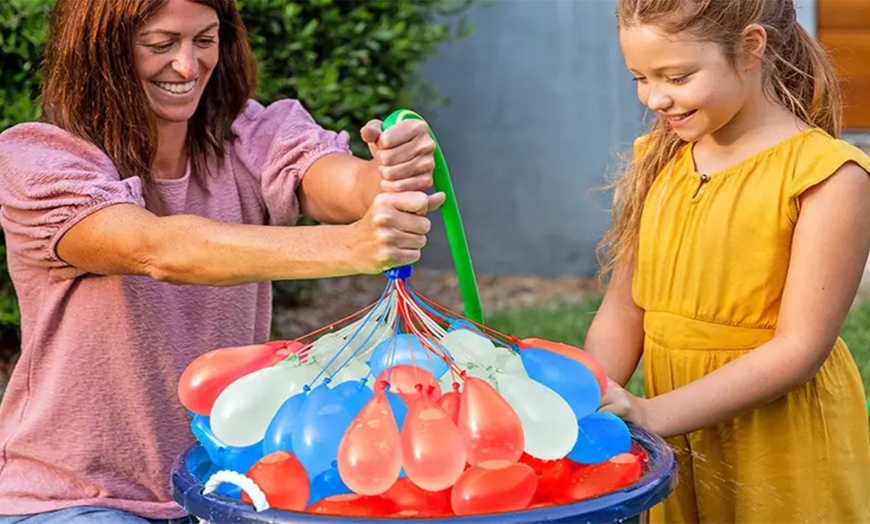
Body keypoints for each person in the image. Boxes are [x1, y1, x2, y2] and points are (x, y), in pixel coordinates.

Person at [0, 0, 443, 522]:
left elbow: (339, 183)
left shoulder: (249, 135)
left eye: (205, 40)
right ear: (101, 51)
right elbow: (160, 250)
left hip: (226, 487)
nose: (188, 67)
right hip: (76, 499)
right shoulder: (40, 161)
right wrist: (352, 246)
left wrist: (387, 173)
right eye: (160, 44)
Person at [584, 0, 870, 522]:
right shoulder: (659, 157)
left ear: (750, 46)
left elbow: (799, 350)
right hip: (676, 435)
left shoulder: (828, 176)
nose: (656, 98)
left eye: (677, 76)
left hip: (780, 442)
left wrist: (651, 413)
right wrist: (585, 395)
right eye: (639, 79)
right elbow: (625, 310)